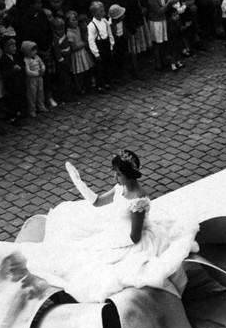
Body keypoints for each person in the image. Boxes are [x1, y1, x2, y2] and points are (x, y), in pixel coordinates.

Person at [19, 151, 201, 303]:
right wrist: (78, 181)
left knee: (100, 268)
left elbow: (135, 237)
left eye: (118, 174)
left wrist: (111, 242)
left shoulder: (138, 200)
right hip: (119, 233)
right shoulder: (119, 188)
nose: (115, 177)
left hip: (132, 241)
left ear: (129, 174)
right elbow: (97, 202)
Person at [86, 1, 114, 90]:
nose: (103, 13)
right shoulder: (91, 25)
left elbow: (110, 33)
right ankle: (100, 86)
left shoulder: (105, 21)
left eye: (103, 11)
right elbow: (91, 41)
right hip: (99, 46)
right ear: (94, 13)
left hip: (106, 44)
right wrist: (96, 53)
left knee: (108, 66)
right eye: (100, 11)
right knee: (100, 68)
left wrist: (111, 45)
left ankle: (107, 83)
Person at [21, 40, 47, 117]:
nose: (35, 52)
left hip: (39, 77)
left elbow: (42, 64)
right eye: (32, 51)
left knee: (40, 92)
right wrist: (36, 73)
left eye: (35, 50)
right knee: (32, 94)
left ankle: (41, 106)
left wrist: (42, 69)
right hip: (32, 79)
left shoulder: (37, 57)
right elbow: (27, 71)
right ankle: (32, 109)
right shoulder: (26, 60)